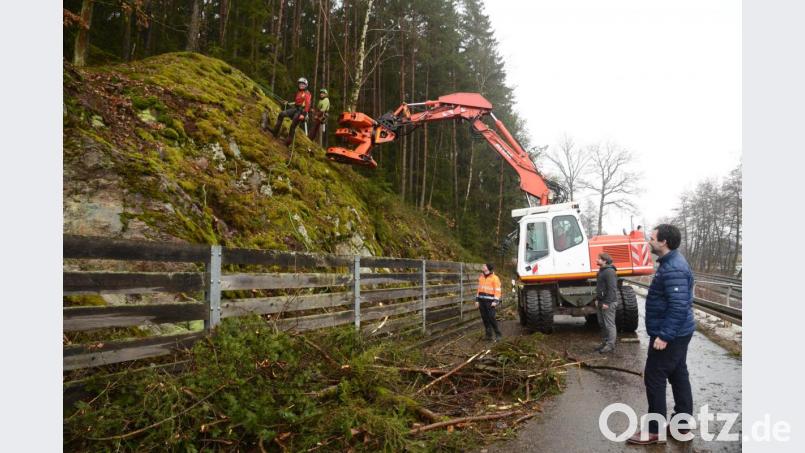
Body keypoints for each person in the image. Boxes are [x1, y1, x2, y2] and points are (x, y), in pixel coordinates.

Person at [628, 224, 696, 445]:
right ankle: (682, 426)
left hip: (672, 334)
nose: (649, 241)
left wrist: (665, 335)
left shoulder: (673, 268)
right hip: (680, 332)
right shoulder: (672, 263)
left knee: (654, 377)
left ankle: (655, 430)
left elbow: (678, 306)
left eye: (652, 238)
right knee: (678, 374)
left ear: (663, 242)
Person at [269, 77, 312, 146]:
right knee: (281, 114)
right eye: (300, 84)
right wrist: (288, 103)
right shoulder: (299, 92)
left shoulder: (307, 93)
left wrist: (303, 115)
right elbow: (297, 102)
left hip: (301, 112)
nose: (301, 85)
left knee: (293, 126)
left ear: (306, 85)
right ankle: (275, 132)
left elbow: (308, 105)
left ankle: (287, 143)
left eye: (303, 84)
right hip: (295, 109)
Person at [594, 252, 618, 354]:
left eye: (599, 259)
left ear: (604, 261)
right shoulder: (602, 271)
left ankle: (610, 345)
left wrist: (607, 302)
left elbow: (612, 289)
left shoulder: (609, 272)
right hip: (601, 302)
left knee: (609, 325)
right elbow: (600, 288)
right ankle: (605, 342)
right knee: (602, 323)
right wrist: (597, 299)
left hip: (608, 303)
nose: (596, 260)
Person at [476, 263, 503, 342]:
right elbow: (479, 289)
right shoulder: (481, 277)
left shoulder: (495, 278)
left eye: (484, 266)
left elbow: (498, 290)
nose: (483, 267)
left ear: (488, 268)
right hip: (481, 301)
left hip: (490, 302)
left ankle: (498, 335)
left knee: (491, 318)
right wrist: (477, 300)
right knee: (485, 319)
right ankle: (488, 336)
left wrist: (495, 300)